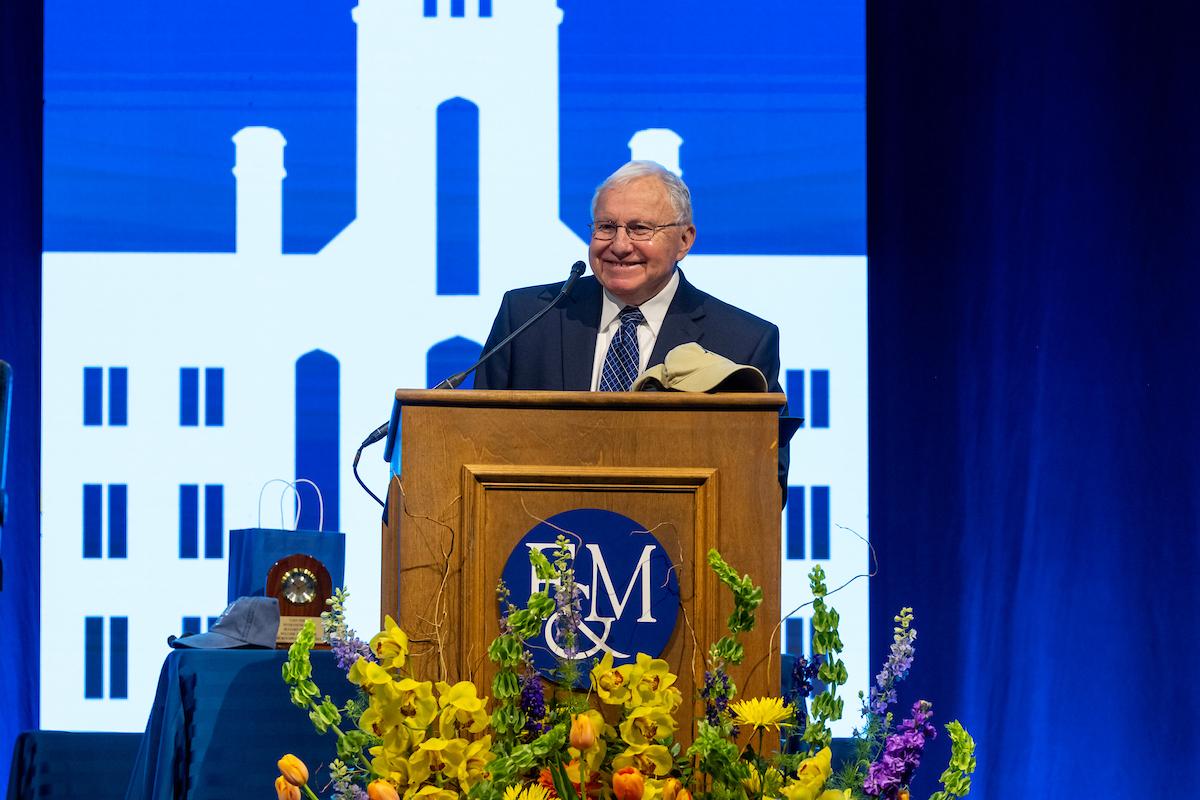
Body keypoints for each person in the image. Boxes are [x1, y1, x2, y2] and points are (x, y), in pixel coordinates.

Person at [474, 160, 788, 495]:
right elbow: (476, 443)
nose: (620, 245)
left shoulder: (742, 341)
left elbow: (765, 488)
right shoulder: (528, 318)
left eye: (640, 229)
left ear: (684, 240)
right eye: (606, 227)